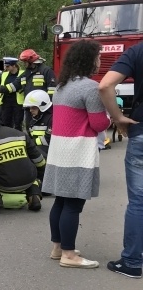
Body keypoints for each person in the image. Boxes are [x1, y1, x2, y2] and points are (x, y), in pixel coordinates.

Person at [42, 40, 110, 268]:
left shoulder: (63, 86)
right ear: (88, 61)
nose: (100, 61)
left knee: (61, 201)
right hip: (78, 151)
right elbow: (99, 123)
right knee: (73, 204)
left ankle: (58, 247)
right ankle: (69, 255)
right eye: (98, 57)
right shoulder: (90, 87)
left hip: (59, 150)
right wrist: (111, 116)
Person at [98, 43, 143, 278]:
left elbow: (105, 85)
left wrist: (117, 118)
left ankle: (133, 262)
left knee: (139, 200)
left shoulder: (137, 51)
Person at [0, 57, 25, 129]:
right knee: (5, 122)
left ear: (14, 65)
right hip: (5, 102)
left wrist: (1, 88)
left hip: (17, 102)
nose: (6, 68)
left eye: (8, 66)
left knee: (18, 123)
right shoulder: (4, 74)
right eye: (5, 66)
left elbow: (14, 87)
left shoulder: (22, 73)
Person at [22, 90, 53, 158]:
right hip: (37, 151)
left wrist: (31, 143)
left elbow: (49, 139)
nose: (30, 110)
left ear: (42, 106)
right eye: (30, 108)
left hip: (49, 154)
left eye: (33, 108)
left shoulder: (52, 119)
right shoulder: (33, 120)